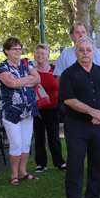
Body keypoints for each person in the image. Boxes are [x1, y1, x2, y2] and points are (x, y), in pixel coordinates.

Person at [59, 37, 100, 198]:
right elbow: (68, 99)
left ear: (94, 53)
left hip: (99, 125)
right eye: (81, 50)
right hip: (77, 126)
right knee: (75, 163)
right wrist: (92, 112)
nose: (85, 53)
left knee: (98, 162)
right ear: (76, 52)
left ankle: (94, 197)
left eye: (88, 50)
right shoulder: (68, 74)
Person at [0, 37, 40, 186]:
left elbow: (38, 79)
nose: (18, 51)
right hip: (11, 112)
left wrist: (20, 80)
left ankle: (23, 171)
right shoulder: (2, 67)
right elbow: (11, 83)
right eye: (15, 48)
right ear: (6, 50)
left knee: (26, 143)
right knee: (16, 143)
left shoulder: (27, 62)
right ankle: (13, 174)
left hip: (28, 109)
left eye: (20, 48)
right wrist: (28, 78)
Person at [33, 44, 66, 172]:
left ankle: (59, 162)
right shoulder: (32, 71)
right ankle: (41, 164)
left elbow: (61, 86)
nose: (40, 55)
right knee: (39, 136)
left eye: (43, 53)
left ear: (47, 56)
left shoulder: (54, 70)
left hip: (53, 107)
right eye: (38, 53)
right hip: (38, 107)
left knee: (54, 136)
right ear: (35, 55)